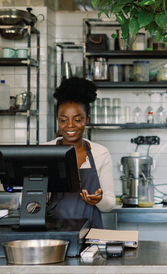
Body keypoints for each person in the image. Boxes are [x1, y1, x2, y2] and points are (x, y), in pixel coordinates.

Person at [45, 77, 116, 228]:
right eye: (63, 120)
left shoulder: (100, 153)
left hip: (91, 235)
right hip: (52, 235)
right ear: (58, 121)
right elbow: (28, 201)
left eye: (77, 119)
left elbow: (109, 205)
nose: (70, 126)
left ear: (87, 120)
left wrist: (99, 200)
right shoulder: (44, 151)